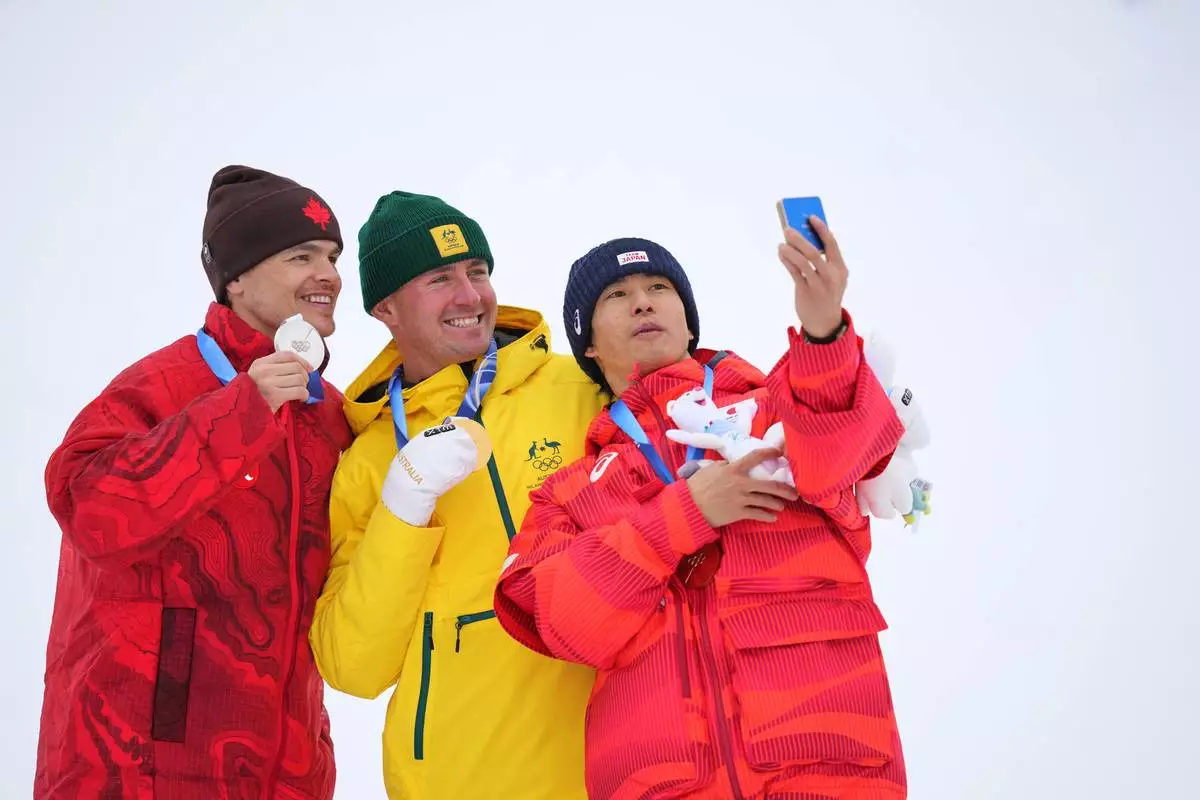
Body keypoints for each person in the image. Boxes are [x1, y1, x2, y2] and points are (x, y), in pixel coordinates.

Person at [494, 221, 912, 799]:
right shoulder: (571, 493)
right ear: (586, 342)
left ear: (689, 321)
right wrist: (683, 514)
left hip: (830, 775)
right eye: (616, 296)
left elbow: (844, 441)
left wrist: (822, 334)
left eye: (659, 287)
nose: (642, 300)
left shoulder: (773, 411)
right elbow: (560, 620)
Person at [37, 165, 352, 799]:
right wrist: (243, 411)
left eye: (332, 255)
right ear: (236, 278)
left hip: (286, 772)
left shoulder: (330, 415)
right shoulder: (158, 387)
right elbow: (91, 510)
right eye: (301, 255)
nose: (329, 274)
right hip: (137, 768)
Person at [307, 191, 606, 799]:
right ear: (385, 307)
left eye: (477, 272)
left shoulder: (587, 387)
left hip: (619, 760)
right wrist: (403, 507)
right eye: (440, 278)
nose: (470, 296)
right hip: (460, 773)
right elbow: (353, 667)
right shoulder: (367, 461)